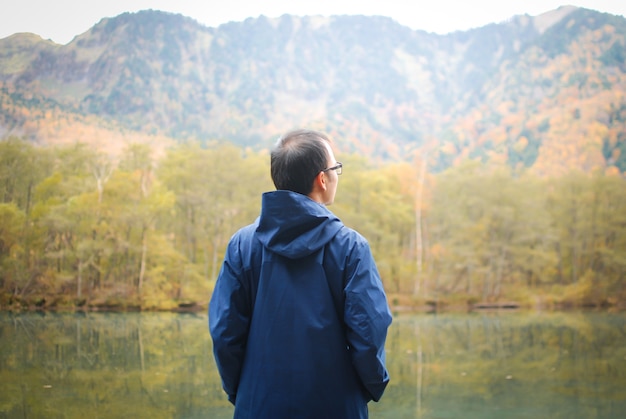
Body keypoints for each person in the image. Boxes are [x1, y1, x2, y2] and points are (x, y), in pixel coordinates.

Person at [209, 129, 392, 419]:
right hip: (336, 406)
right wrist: (369, 387)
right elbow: (369, 332)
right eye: (336, 169)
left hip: (257, 405)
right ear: (322, 178)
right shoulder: (351, 247)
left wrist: (240, 391)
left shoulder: (242, 245)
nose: (336, 176)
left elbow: (224, 333)